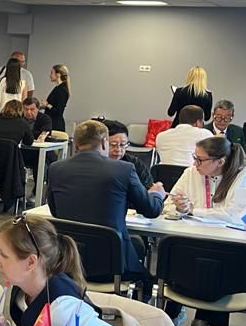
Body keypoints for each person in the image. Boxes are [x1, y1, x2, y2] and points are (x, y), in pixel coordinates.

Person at [47, 120, 165, 296]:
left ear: (76, 144)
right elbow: (152, 210)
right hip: (113, 266)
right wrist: (157, 194)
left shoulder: (56, 168)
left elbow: (55, 211)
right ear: (104, 142)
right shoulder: (124, 169)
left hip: (69, 263)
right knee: (147, 278)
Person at [163, 135, 246, 326]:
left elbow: (237, 215)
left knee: (214, 261)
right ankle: (173, 313)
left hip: (225, 245)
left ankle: (202, 321)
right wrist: (179, 208)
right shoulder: (191, 173)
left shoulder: (245, 176)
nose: (195, 164)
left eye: (200, 159)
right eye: (194, 157)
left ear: (220, 161)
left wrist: (193, 210)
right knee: (179, 254)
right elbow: (168, 204)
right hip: (190, 238)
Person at [103, 121, 154, 188]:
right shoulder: (94, 164)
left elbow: (148, 186)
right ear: (102, 144)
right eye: (113, 144)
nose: (118, 149)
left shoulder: (133, 163)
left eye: (122, 144)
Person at [42, 64, 70, 133]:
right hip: (52, 122)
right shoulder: (58, 88)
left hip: (56, 125)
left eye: (52, 73)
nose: (50, 75)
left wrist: (47, 105)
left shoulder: (62, 90)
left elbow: (58, 111)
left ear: (58, 74)